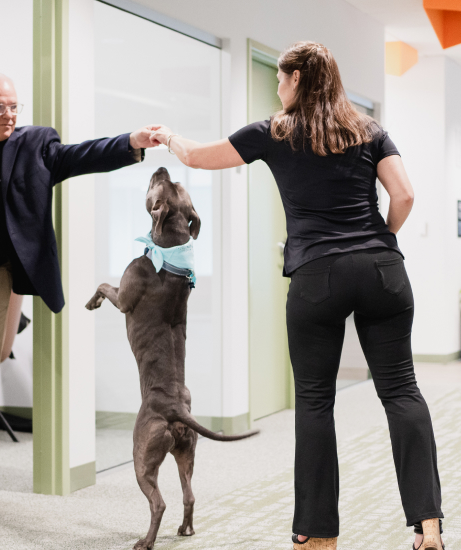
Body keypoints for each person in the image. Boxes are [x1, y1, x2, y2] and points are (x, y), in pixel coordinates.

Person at [149, 42, 444, 550]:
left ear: (298, 80)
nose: (278, 90)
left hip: (317, 276)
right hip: (382, 271)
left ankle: (318, 536)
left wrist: (167, 136)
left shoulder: (275, 131)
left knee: (314, 403)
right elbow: (405, 195)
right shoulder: (367, 129)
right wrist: (383, 242)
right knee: (401, 392)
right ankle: (430, 528)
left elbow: (197, 156)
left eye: (281, 81)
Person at [0, 71, 159, 511]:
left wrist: (132, 141)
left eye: (14, 105)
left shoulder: (30, 147)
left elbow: (81, 155)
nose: (10, 114)